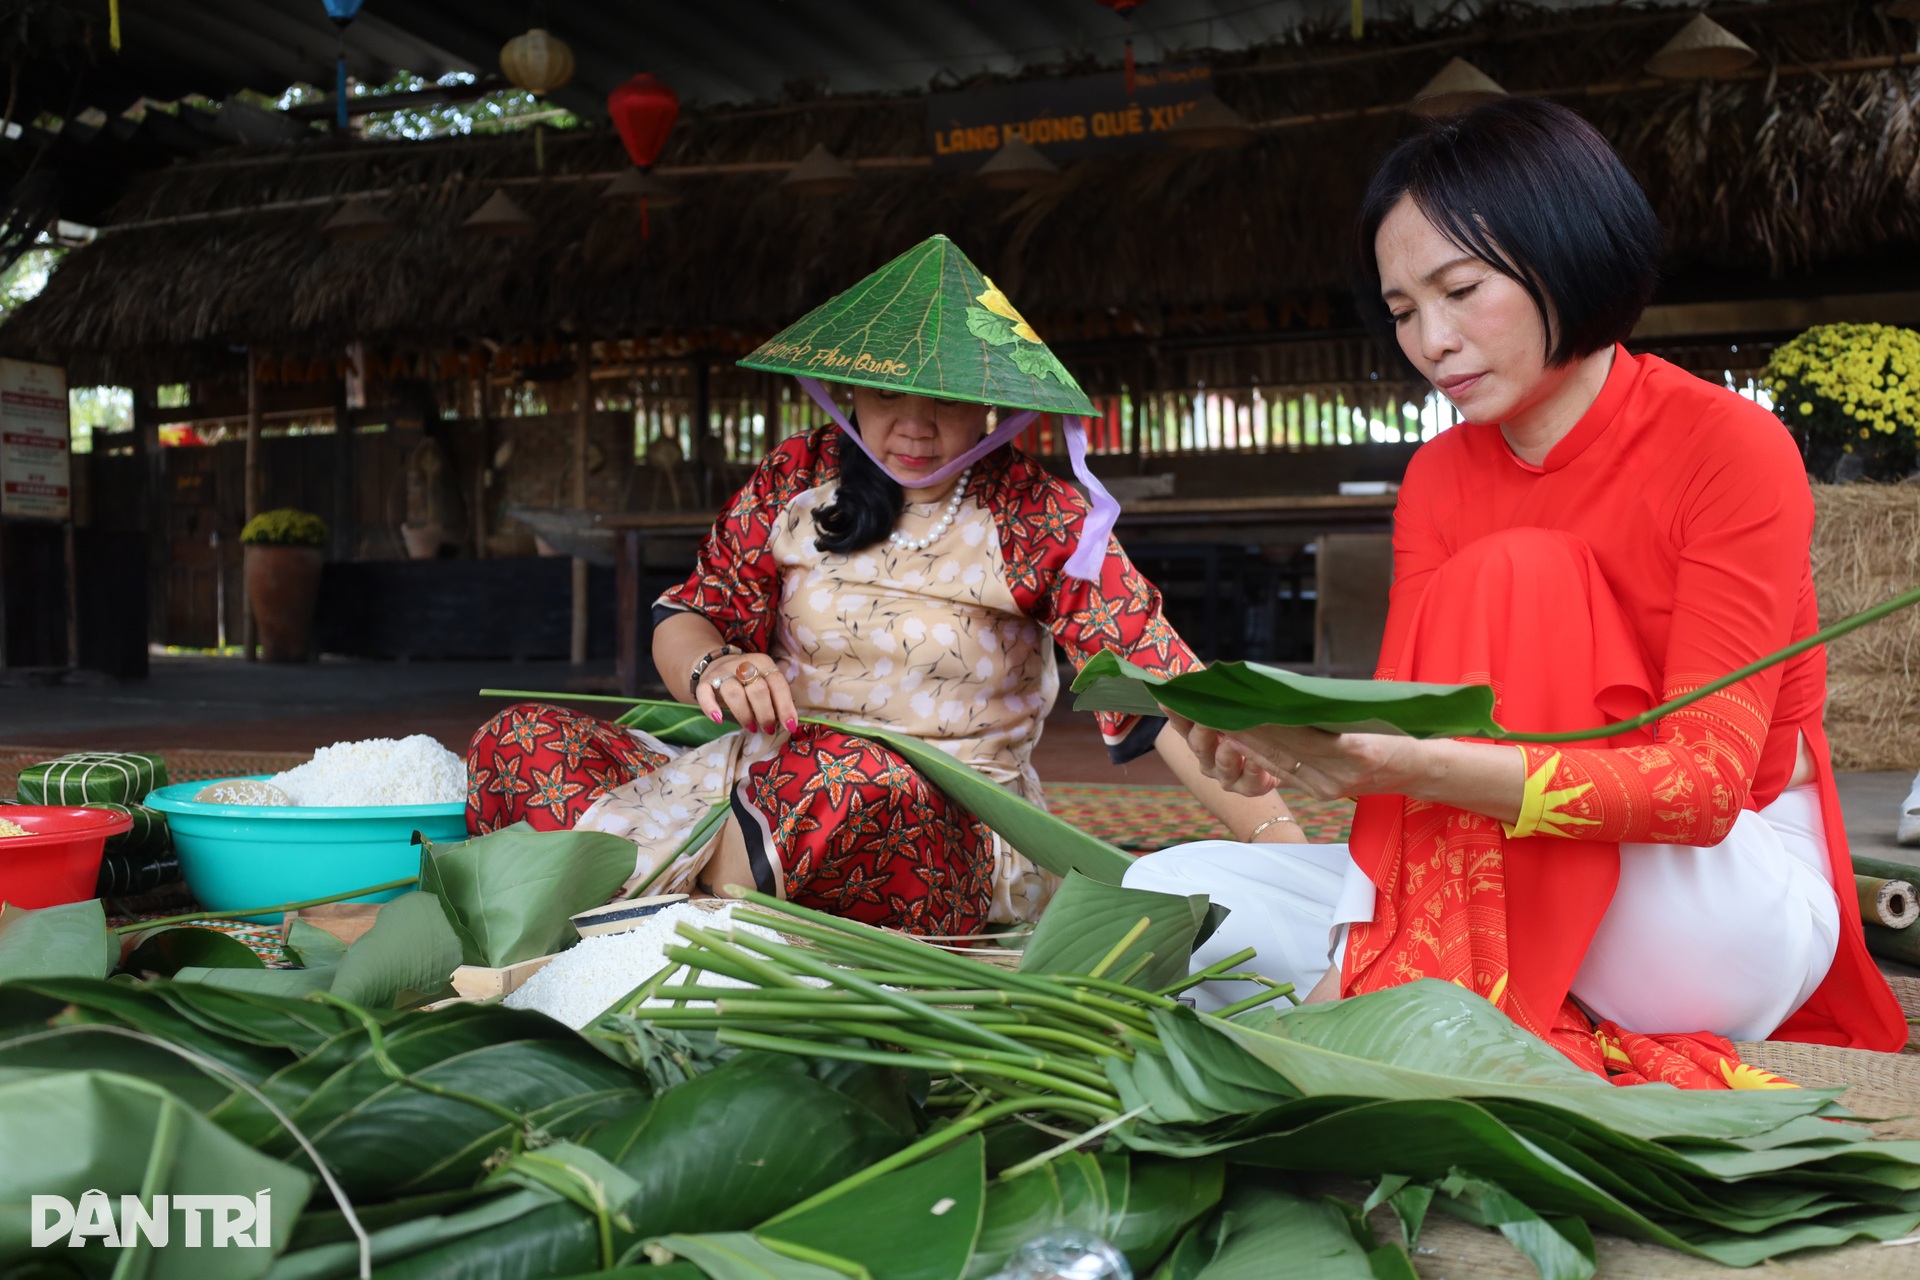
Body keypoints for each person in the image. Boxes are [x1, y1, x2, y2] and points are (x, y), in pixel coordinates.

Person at [1132, 99, 1906, 1085]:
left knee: (1522, 570)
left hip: (1710, 900)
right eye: (1405, 309)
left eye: (1461, 289)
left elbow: (1704, 791)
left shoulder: (1726, 445)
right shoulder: (1440, 477)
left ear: (1567, 250)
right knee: (1168, 890)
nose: (1433, 340)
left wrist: (1414, 772)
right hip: (1500, 867)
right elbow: (1414, 726)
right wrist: (1288, 750)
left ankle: (1451, 989)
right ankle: (1493, 986)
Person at [469, 235, 1296, 935]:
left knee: (855, 780)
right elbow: (692, 612)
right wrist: (714, 669)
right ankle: (701, 904)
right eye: (891, 391)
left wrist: (1292, 863)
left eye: (946, 398)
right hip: (748, 784)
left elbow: (1157, 691)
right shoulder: (798, 476)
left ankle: (655, 917)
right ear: (848, 388)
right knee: (521, 740)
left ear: (994, 406)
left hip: (932, 820)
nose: (914, 424)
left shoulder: (1040, 516)